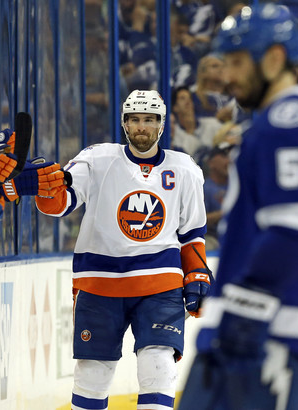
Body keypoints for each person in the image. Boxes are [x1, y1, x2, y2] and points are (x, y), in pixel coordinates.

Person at [179, 4, 298, 409]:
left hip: (268, 337)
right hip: (261, 330)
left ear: (275, 59)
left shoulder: (289, 123)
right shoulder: (277, 123)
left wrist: (247, 314)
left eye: (239, 62)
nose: (228, 76)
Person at [36, 89, 210, 410]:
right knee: (93, 372)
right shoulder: (97, 159)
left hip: (160, 285)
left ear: (161, 125)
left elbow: (191, 233)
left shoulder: (184, 169)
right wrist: (47, 188)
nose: (141, 127)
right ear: (124, 123)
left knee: (158, 365)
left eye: (148, 120)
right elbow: (61, 203)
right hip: (100, 284)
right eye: (134, 120)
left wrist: (197, 272)